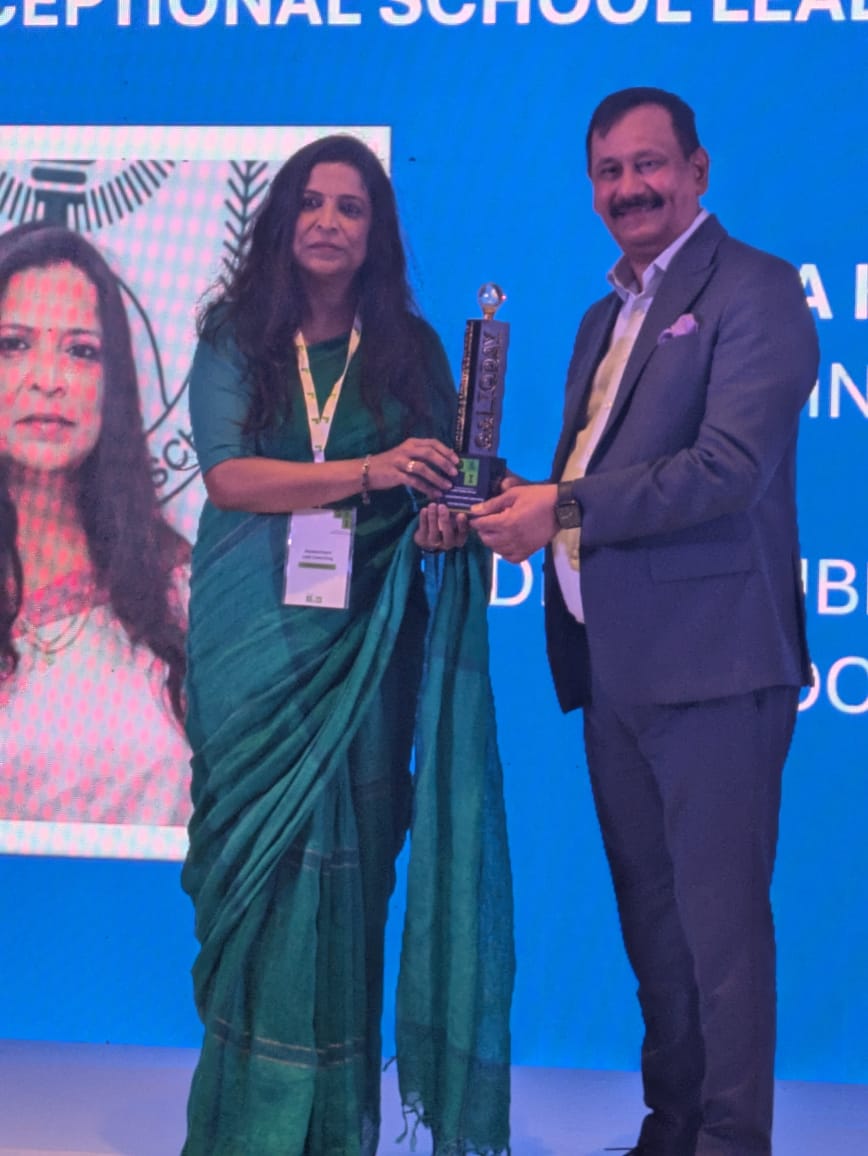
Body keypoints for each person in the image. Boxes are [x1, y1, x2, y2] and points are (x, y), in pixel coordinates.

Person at [472, 88, 818, 1156]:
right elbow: (594, 474)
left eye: (649, 164)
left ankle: (729, 1143)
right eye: (609, 171)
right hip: (613, 669)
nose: (629, 187)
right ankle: (671, 1131)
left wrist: (562, 507)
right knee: (653, 935)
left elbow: (726, 469)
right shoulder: (601, 316)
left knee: (720, 941)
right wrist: (508, 499)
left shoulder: (756, 289)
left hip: (715, 670)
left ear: (698, 170)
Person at [180, 134, 513, 1156]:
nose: (328, 221)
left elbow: (449, 485)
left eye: (351, 206)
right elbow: (231, 478)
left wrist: (447, 517)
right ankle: (246, 1129)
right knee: (259, 882)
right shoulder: (235, 335)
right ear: (282, 219)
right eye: (312, 202)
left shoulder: (409, 348)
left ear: (377, 233)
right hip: (251, 645)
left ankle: (334, 1132)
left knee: (353, 879)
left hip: (366, 648)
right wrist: (372, 472)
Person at [0, 223, 191, 827]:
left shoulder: (176, 591)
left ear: (113, 384)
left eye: (80, 351)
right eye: (14, 345)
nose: (48, 379)